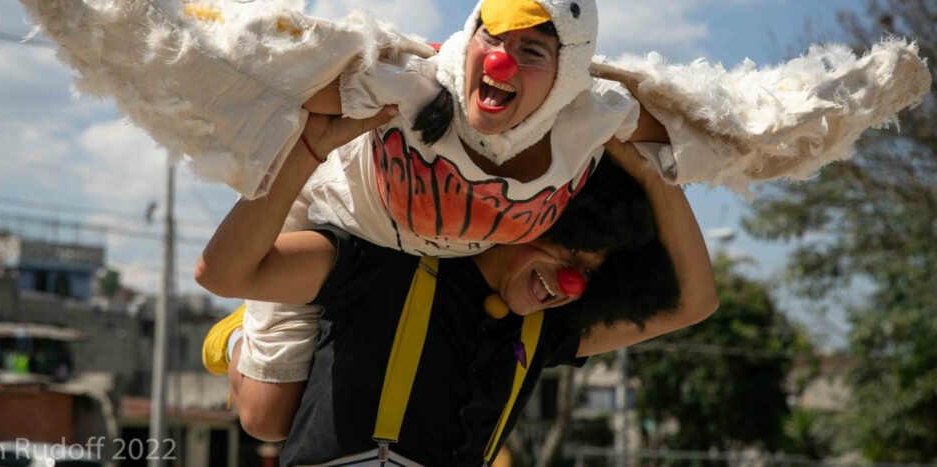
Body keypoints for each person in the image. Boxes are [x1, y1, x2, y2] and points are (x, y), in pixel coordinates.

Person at [196, 106, 717, 464]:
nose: (571, 284)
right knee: (264, 416)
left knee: (267, 421)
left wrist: (655, 179)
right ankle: (244, 334)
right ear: (527, 221)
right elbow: (223, 272)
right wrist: (307, 150)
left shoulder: (548, 330)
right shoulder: (387, 262)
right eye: (569, 253)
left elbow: (694, 304)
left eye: (589, 273)